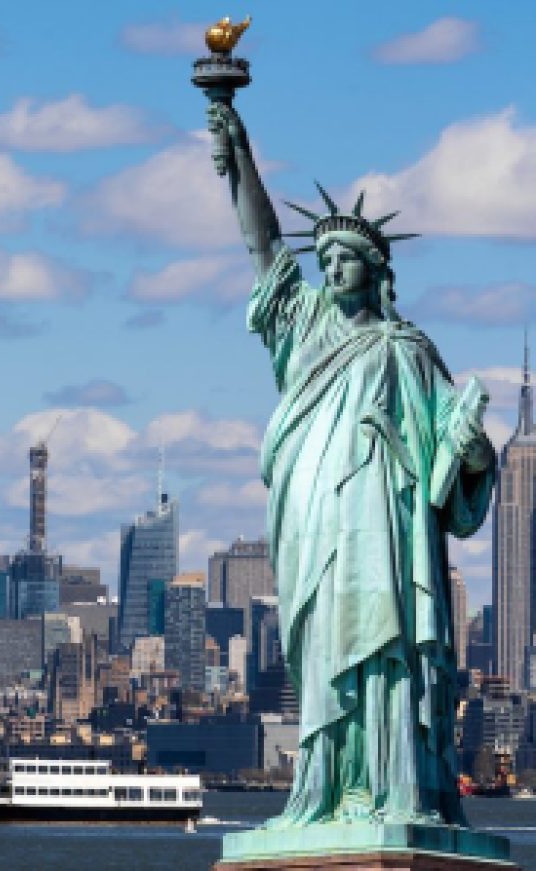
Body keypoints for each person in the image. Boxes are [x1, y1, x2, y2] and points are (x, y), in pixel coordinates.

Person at [207, 101, 495, 827]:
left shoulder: (408, 350)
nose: (331, 268)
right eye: (325, 259)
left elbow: (455, 459)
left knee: (388, 647)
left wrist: (471, 450)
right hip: (318, 520)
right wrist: (239, 155)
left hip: (388, 528)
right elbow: (264, 247)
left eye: (345, 260)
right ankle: (328, 790)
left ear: (375, 272)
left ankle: (395, 788)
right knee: (327, 644)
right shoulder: (301, 326)